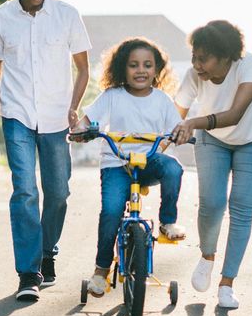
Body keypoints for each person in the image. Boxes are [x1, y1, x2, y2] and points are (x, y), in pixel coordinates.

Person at [0, 0, 91, 302]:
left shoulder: (67, 15)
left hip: (57, 117)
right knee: (25, 191)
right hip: (17, 116)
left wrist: (74, 107)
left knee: (58, 192)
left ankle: (48, 252)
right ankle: (28, 272)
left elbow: (83, 68)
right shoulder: (1, 17)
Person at [172, 20, 252, 309]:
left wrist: (193, 122)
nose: (196, 64)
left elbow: (235, 114)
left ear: (226, 56)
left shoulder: (249, 66)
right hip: (212, 141)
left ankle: (227, 284)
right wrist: (159, 143)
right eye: (194, 56)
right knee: (212, 203)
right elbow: (173, 116)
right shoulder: (194, 76)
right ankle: (207, 256)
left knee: (241, 207)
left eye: (203, 58)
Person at [74, 37, 186, 298]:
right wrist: (80, 130)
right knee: (112, 211)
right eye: (134, 65)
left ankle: (167, 222)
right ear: (123, 68)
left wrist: (177, 137)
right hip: (117, 163)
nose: (141, 70)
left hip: (148, 162)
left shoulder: (162, 99)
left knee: (174, 169)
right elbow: (87, 121)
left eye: (148, 65)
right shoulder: (112, 96)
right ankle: (101, 271)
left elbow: (175, 129)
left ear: (157, 69)